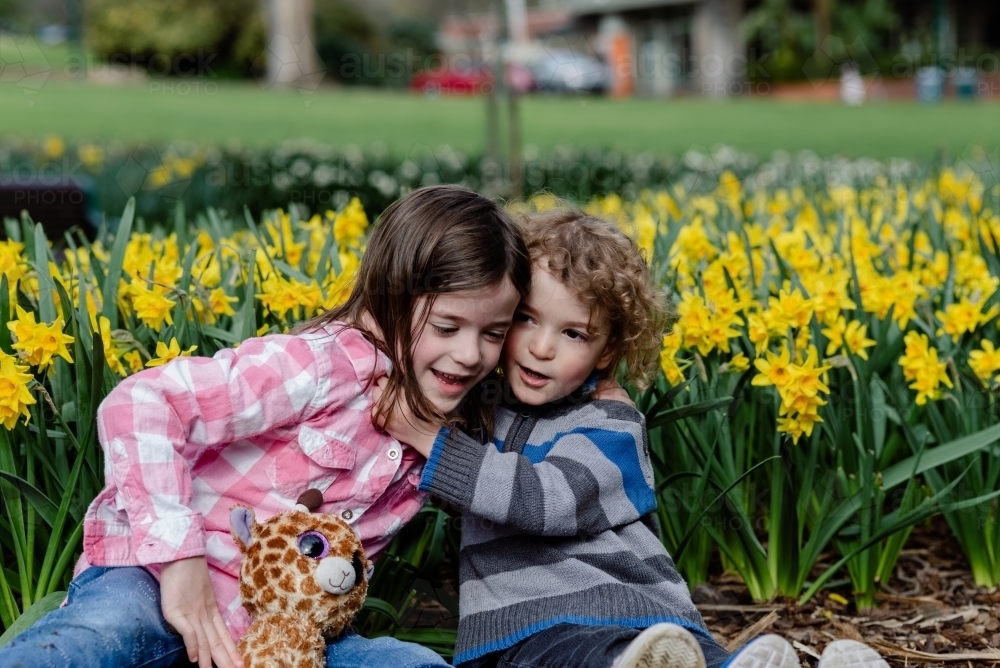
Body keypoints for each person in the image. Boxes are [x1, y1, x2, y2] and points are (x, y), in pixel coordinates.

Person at [0, 184, 530, 668]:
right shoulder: (321, 366)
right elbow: (140, 402)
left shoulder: (453, 423)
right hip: (160, 585)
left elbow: (524, 496)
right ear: (389, 294)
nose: (469, 354)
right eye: (447, 326)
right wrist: (181, 561)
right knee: (92, 642)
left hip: (292, 637)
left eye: (493, 333)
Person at [381, 209, 890, 668]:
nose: (541, 347)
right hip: (531, 631)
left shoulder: (610, 424)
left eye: (574, 333)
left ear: (607, 352)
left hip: (634, 616)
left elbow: (546, 501)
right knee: (594, 654)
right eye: (525, 320)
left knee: (659, 656)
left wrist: (427, 436)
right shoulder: (482, 409)